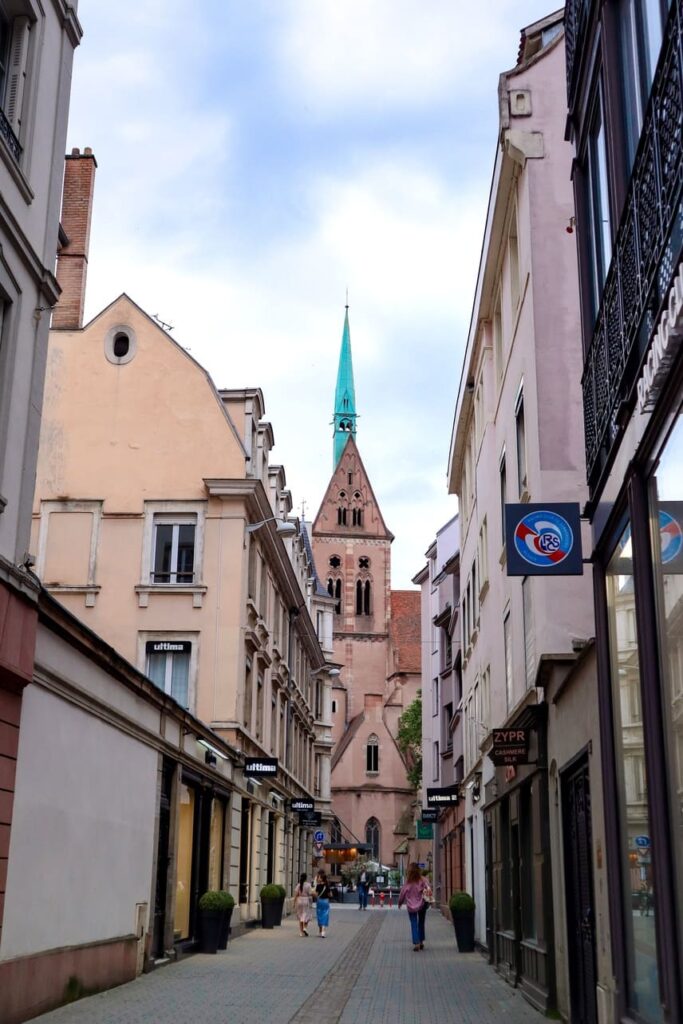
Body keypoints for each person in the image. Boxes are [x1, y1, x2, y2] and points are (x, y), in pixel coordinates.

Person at [398, 863, 429, 951]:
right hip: (422, 904)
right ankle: (421, 941)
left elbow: (402, 894)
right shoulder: (423, 880)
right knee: (421, 922)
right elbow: (428, 889)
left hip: (411, 906)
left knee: (414, 923)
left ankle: (416, 942)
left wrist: (400, 903)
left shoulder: (408, 882)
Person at [294, 873, 312, 937]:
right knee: (306, 915)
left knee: (300, 916)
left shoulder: (298, 885)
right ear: (306, 878)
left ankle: (301, 932)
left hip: (299, 900)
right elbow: (310, 893)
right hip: (305, 900)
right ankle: (305, 928)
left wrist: (294, 902)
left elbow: (296, 894)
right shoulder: (308, 885)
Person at [314, 870, 332, 937]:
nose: (318, 878)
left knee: (319, 915)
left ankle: (320, 931)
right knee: (325, 914)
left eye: (319, 877)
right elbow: (330, 895)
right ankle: (323, 931)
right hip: (326, 901)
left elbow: (316, 895)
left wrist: (313, 894)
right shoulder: (327, 886)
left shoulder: (318, 886)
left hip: (319, 901)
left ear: (322, 879)